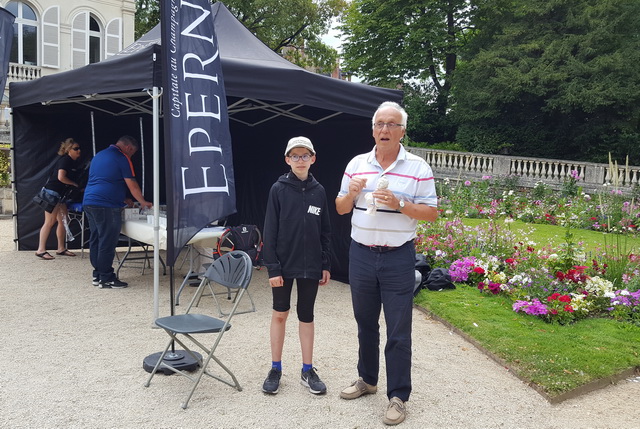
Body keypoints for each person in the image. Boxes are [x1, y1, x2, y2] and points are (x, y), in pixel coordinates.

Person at [335, 101, 438, 426]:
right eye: (380, 124)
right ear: (373, 129)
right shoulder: (356, 163)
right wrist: (350, 195)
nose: (384, 130)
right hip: (361, 254)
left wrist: (400, 203)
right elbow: (339, 208)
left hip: (398, 257)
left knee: (398, 330)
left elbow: (432, 213)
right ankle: (367, 380)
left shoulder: (418, 168)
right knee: (365, 323)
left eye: (392, 124)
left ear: (402, 130)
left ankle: (398, 396)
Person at [261, 136, 332, 395]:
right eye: (295, 156)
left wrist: (325, 263)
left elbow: (325, 231)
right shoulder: (278, 190)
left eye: (305, 155)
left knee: (306, 315)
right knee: (280, 313)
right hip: (283, 264)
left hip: (311, 266)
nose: (300, 160)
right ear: (287, 160)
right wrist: (273, 267)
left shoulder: (319, 191)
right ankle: (275, 368)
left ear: (313, 158)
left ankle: (307, 369)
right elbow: (270, 229)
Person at [83, 135, 152, 289]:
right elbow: (132, 183)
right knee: (107, 241)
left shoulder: (99, 155)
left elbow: (105, 180)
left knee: (96, 239)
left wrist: (124, 198)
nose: (131, 156)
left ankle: (98, 275)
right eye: (132, 153)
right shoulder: (122, 157)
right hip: (106, 205)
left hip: (90, 201)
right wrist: (142, 202)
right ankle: (107, 277)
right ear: (128, 148)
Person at [35, 138, 83, 260]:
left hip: (60, 195)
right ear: (68, 150)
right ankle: (40, 250)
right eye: (76, 148)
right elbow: (61, 177)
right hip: (52, 194)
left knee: (63, 220)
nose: (79, 151)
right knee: (50, 221)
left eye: (79, 148)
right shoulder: (65, 160)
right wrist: (74, 184)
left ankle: (61, 248)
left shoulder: (71, 162)